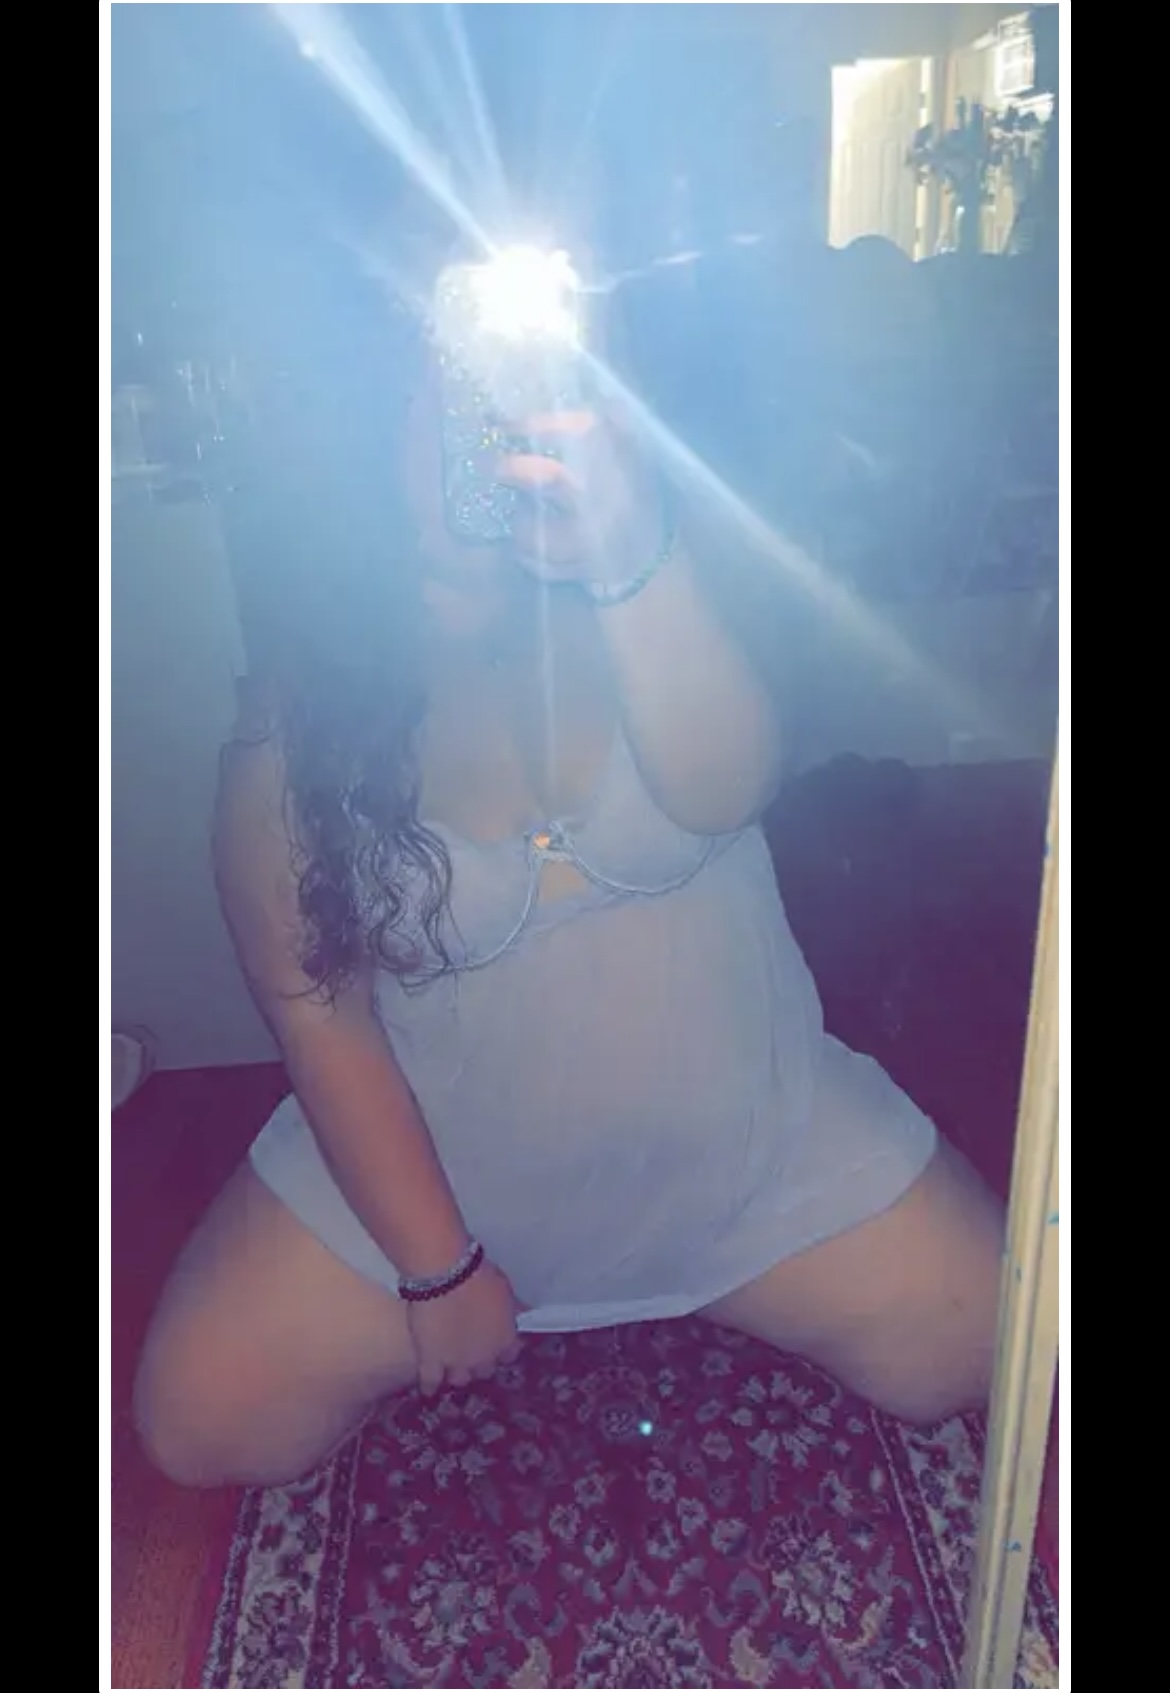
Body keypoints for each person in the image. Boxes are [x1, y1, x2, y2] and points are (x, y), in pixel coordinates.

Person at [134, 273, 1004, 1491]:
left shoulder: (658, 572)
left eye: (519, 388)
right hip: (451, 1194)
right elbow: (314, 1009)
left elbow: (726, 784)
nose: (496, 425)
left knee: (992, 1349)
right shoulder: (309, 704)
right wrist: (435, 1267)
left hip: (756, 1166)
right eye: (452, 396)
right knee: (199, 1424)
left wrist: (634, 558)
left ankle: (707, 1281)